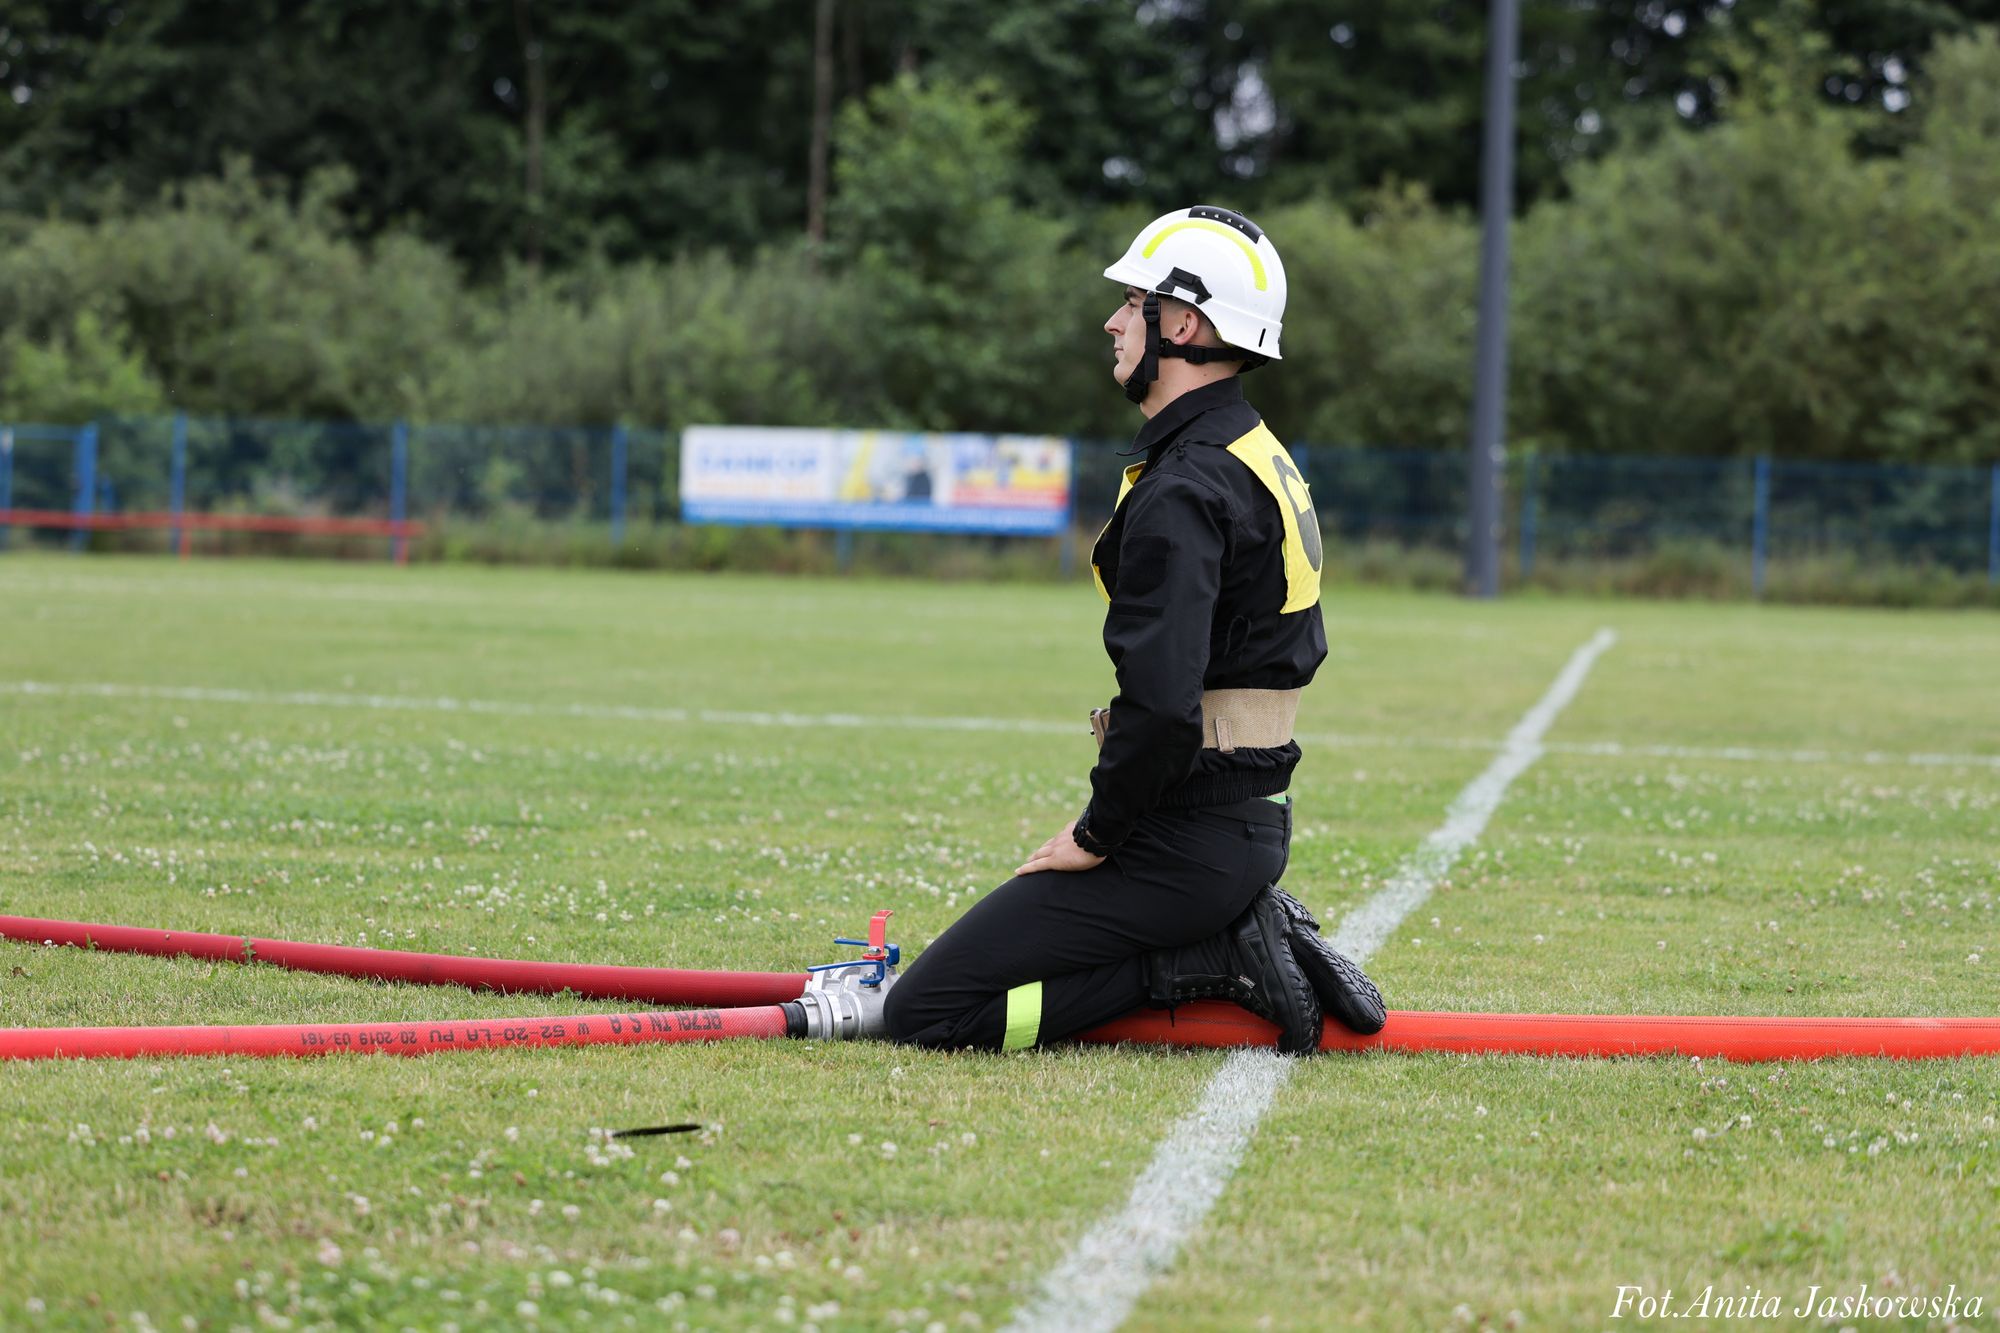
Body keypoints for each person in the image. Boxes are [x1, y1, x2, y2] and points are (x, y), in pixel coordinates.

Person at [879, 206, 1386, 1056]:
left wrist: (1094, 834)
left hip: (1188, 841)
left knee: (926, 1011)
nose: (1112, 321)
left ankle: (1205, 957)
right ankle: (1221, 936)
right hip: (1238, 823)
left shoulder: (1187, 485)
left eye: (1132, 301)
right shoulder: (1247, 448)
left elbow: (1159, 704)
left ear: (1183, 323)